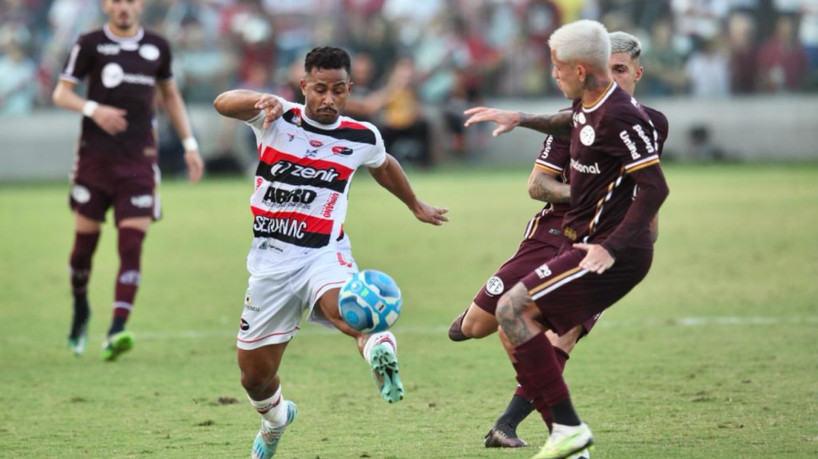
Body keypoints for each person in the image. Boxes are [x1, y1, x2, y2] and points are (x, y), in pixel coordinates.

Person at [212, 47, 448, 459]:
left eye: (338, 90)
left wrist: (415, 204)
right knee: (254, 378)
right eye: (319, 89)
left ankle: (379, 347)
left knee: (346, 308)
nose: (328, 99)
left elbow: (384, 162)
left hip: (323, 252)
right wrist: (259, 100)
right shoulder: (276, 116)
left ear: (349, 89)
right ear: (304, 86)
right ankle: (276, 419)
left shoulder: (361, 135)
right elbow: (222, 103)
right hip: (270, 264)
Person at [453, 31, 669, 454]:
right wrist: (519, 117)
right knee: (486, 324)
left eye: (557, 67)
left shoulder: (630, 118)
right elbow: (564, 137)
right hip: (567, 234)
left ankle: (555, 431)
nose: (553, 74)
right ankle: (568, 435)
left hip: (607, 248)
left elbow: (653, 188)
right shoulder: (587, 109)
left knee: (532, 320)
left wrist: (622, 243)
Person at [52, 0, 203, 361]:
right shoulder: (89, 44)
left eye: (131, 1)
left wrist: (190, 145)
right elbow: (61, 93)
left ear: (140, 6)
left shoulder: (158, 46)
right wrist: (93, 109)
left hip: (138, 164)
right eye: (116, 1)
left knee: (131, 246)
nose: (124, 7)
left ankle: (117, 329)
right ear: (106, 6)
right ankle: (80, 310)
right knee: (82, 250)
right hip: (94, 162)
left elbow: (170, 95)